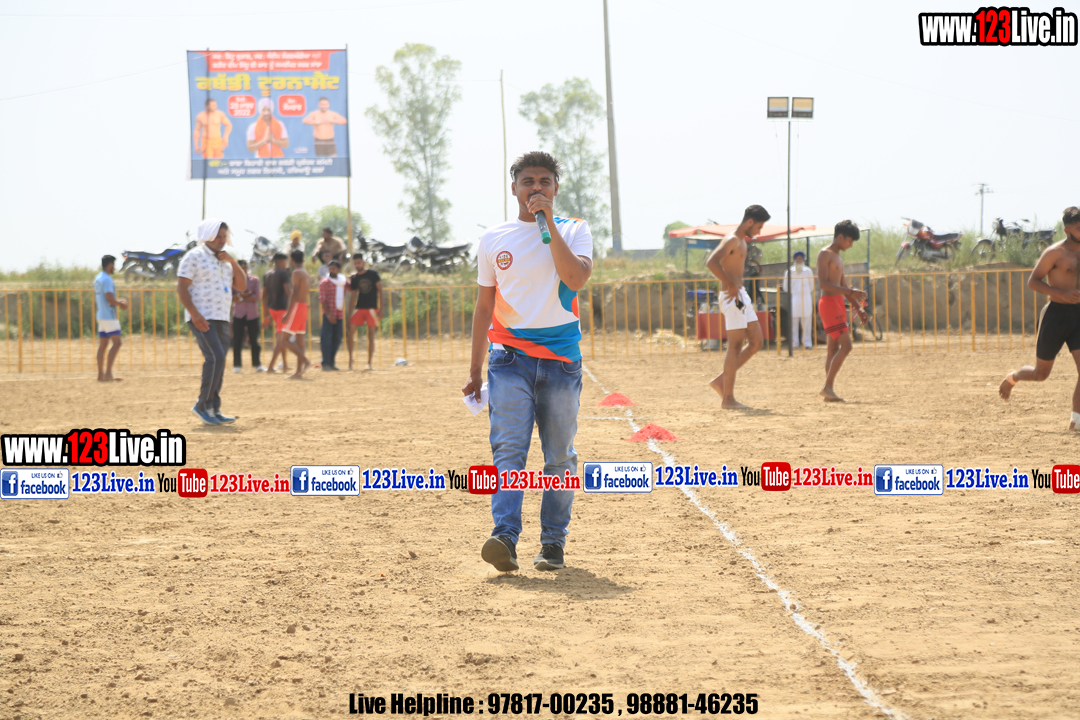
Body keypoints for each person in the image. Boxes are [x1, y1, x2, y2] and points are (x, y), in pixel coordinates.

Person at [463, 151, 593, 573]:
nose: (536, 188)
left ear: (556, 187)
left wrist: (547, 222)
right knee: (508, 452)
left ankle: (553, 543)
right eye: (528, 181)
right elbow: (484, 308)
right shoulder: (493, 239)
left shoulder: (574, 229)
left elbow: (575, 278)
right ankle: (505, 537)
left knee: (559, 457)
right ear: (514, 188)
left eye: (544, 181)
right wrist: (474, 370)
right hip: (508, 360)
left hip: (561, 363)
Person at [1000, 207, 1080, 430]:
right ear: (1067, 230)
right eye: (1078, 228)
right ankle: (1013, 377)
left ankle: (1076, 421)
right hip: (1056, 315)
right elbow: (1033, 282)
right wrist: (1061, 294)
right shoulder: (1055, 253)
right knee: (1041, 374)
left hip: (1079, 315)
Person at [177, 219, 247, 425]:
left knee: (220, 360)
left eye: (224, 236)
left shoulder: (225, 260)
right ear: (207, 236)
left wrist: (233, 262)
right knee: (215, 357)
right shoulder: (194, 256)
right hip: (202, 317)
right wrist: (194, 314)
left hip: (222, 317)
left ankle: (213, 408)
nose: (222, 240)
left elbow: (242, 286)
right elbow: (181, 287)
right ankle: (201, 406)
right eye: (218, 236)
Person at [705, 205, 770, 410]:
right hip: (731, 296)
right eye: (759, 227)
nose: (759, 231)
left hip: (740, 296)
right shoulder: (732, 239)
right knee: (734, 345)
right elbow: (711, 262)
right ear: (750, 222)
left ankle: (721, 381)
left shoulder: (741, 241)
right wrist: (730, 284)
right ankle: (728, 398)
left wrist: (736, 286)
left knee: (756, 342)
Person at [816, 220, 868, 402]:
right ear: (840, 237)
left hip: (837, 303)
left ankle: (829, 390)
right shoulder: (825, 254)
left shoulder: (838, 257)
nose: (850, 245)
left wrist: (858, 308)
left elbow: (844, 287)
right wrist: (851, 293)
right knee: (847, 346)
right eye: (850, 241)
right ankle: (827, 387)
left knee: (833, 348)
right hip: (829, 304)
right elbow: (823, 284)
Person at [94, 254, 128, 382]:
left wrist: (117, 301)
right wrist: (121, 304)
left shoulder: (98, 278)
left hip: (101, 315)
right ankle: (108, 374)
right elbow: (109, 298)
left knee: (103, 345)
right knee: (117, 343)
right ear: (110, 265)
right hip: (109, 316)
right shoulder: (107, 279)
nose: (114, 267)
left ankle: (100, 375)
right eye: (113, 265)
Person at [347, 253, 382, 370]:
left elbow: (380, 290)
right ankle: (350, 360)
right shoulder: (354, 278)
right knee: (350, 333)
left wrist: (381, 308)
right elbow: (352, 297)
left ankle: (369, 363)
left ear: (363, 262)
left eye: (359, 262)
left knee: (370, 335)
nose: (357, 265)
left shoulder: (373, 274)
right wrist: (349, 314)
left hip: (372, 308)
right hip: (359, 307)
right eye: (355, 263)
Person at [281, 249, 312, 379]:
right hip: (304, 306)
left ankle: (306, 361)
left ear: (292, 260)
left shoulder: (296, 272)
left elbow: (294, 293)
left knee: (284, 340)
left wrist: (288, 313)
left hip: (297, 307)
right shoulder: (305, 273)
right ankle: (299, 372)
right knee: (300, 341)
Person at [231, 259, 264, 373]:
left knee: (254, 340)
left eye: (243, 267)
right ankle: (237, 365)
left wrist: (240, 297)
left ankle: (257, 364)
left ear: (247, 268)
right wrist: (244, 296)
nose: (242, 270)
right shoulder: (232, 281)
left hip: (252, 314)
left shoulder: (254, 280)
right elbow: (231, 298)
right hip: (238, 314)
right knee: (237, 340)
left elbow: (257, 297)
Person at [262, 252, 292, 374]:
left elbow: (264, 296)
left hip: (272, 309)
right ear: (282, 261)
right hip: (282, 310)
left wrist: (265, 315)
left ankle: (284, 365)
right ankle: (270, 366)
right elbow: (288, 292)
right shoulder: (283, 274)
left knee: (281, 336)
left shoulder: (267, 274)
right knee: (281, 340)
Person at [783, 250, 816, 350]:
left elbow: (812, 286)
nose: (799, 261)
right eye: (797, 259)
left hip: (806, 299)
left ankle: (807, 343)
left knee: (807, 322)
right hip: (795, 299)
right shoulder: (789, 272)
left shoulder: (808, 271)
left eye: (801, 259)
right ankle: (794, 343)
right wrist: (796, 292)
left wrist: (804, 292)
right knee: (794, 322)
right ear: (794, 260)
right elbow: (786, 287)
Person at [318, 259, 346, 371]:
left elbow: (351, 286)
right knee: (326, 339)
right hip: (329, 315)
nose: (331, 270)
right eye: (330, 268)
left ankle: (331, 362)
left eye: (334, 268)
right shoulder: (324, 282)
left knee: (337, 339)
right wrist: (329, 315)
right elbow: (323, 300)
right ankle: (325, 362)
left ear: (338, 270)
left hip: (339, 314)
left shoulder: (342, 281)